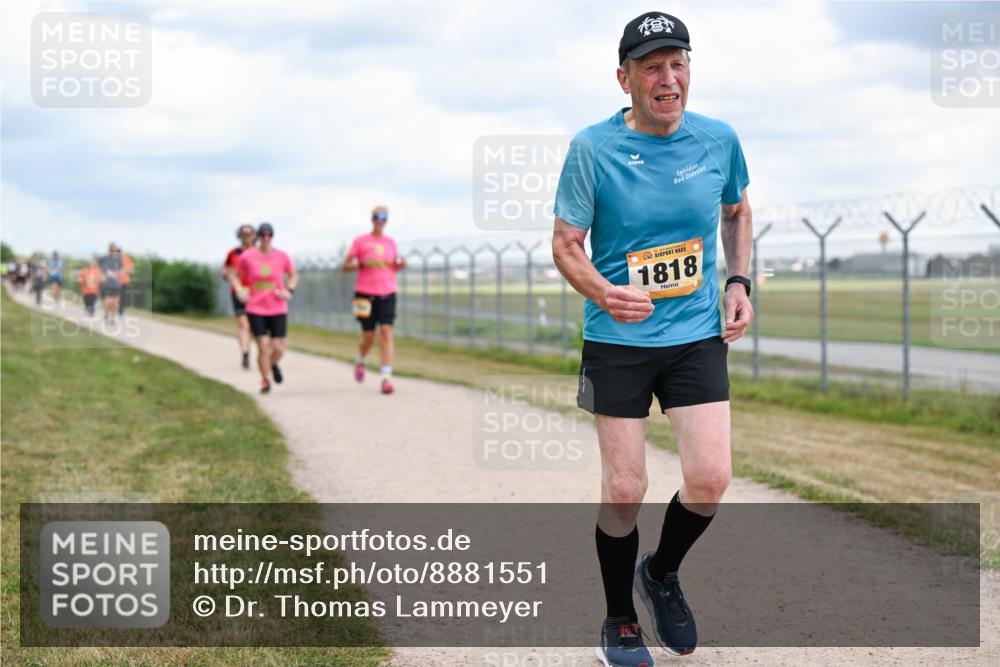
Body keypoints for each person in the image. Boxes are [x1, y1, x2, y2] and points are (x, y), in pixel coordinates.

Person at [552, 12, 752, 666]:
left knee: (711, 476)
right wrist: (603, 291)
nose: (669, 78)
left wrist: (739, 280)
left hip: (694, 333)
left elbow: (737, 208)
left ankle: (660, 573)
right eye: (652, 67)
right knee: (624, 487)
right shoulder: (593, 148)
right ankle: (619, 619)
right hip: (617, 336)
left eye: (679, 63)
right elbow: (565, 244)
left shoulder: (718, 140)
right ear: (625, 77)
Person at [343, 205, 406, 395]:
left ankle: (386, 378)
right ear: (372, 219)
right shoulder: (360, 241)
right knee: (369, 337)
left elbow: (393, 266)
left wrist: (400, 265)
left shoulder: (391, 242)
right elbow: (345, 266)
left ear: (386, 220)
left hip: (387, 292)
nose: (380, 220)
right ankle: (361, 359)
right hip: (364, 294)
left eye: (383, 217)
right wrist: (361, 264)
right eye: (377, 217)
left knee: (386, 331)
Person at [231, 222, 297, 394]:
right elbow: (235, 276)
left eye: (269, 235)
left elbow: (293, 275)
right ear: (257, 237)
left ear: (273, 236)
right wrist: (239, 289)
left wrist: (289, 290)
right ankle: (265, 380)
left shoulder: (282, 256)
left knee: (279, 346)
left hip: (277, 307)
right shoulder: (248, 256)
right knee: (262, 344)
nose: (266, 238)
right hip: (255, 307)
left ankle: (273, 363)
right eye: (263, 235)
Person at [223, 224, 257, 369]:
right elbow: (226, 269)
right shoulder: (234, 253)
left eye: (249, 234)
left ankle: (258, 351)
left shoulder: (258, 252)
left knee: (254, 327)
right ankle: (245, 354)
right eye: (244, 234)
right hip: (238, 292)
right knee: (243, 324)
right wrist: (229, 276)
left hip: (255, 293)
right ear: (240, 235)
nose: (247, 237)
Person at [99, 243, 124, 322]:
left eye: (115, 250)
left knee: (115, 301)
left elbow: (121, 270)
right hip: (107, 283)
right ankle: (106, 314)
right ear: (109, 250)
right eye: (112, 250)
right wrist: (102, 277)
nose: (113, 251)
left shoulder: (119, 260)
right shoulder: (104, 259)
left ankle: (112, 317)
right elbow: (102, 271)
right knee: (108, 300)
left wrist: (119, 277)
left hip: (116, 284)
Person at [117, 248, 135, 316]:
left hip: (124, 281)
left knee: (122, 296)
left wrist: (125, 270)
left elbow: (131, 270)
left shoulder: (127, 260)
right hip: (114, 282)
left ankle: (121, 311)